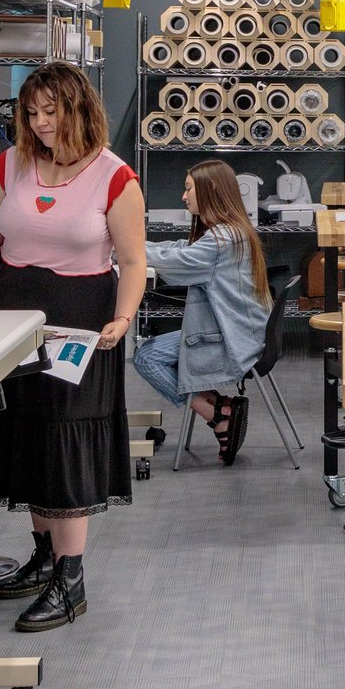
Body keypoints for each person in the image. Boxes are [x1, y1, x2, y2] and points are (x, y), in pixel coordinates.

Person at [0, 61, 145, 633]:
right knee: (26, 434)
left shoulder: (116, 178)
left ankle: (71, 579)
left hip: (82, 321)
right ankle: (42, 559)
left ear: (79, 110)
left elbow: (134, 260)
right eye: (32, 113)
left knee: (65, 439)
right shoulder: (8, 166)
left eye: (51, 112)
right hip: (13, 316)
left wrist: (124, 316)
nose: (40, 125)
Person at [132, 160, 273, 464]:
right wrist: (133, 245)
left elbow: (179, 263)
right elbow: (181, 248)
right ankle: (219, 408)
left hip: (232, 340)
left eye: (188, 189)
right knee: (152, 355)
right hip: (240, 332)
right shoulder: (230, 232)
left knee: (147, 357)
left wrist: (126, 249)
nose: (183, 197)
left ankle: (218, 412)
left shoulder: (223, 239)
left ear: (210, 191)